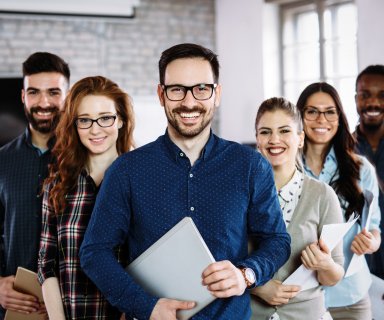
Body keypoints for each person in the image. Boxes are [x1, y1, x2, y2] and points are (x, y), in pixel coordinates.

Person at [79, 43, 291, 320]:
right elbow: (94, 252)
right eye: (177, 89)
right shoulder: (127, 170)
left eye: (201, 88)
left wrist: (247, 274)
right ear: (161, 94)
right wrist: (146, 306)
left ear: (217, 94)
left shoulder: (250, 165)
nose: (189, 102)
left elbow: (277, 240)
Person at [37, 76, 135, 319]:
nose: (95, 129)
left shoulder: (141, 183)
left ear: (121, 120)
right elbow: (46, 264)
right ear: (74, 124)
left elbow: (147, 265)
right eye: (84, 120)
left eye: (105, 117)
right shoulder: (57, 186)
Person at [251, 97, 344, 320]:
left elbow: (334, 275)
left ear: (300, 139)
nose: (274, 140)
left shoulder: (323, 195)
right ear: (257, 140)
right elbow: (221, 259)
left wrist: (325, 264)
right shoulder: (240, 193)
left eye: (284, 131)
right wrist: (255, 285)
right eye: (265, 132)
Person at [296, 82, 381, 320]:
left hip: (349, 295)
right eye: (312, 111)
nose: (321, 119)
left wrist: (370, 243)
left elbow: (374, 227)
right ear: (300, 117)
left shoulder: (361, 169)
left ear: (339, 118)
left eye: (329, 111)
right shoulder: (285, 169)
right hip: (299, 296)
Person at [0, 52, 70, 319]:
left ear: (67, 96)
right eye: (34, 92)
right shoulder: (2, 161)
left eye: (53, 92)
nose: (43, 102)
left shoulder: (87, 159)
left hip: (75, 305)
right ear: (23, 97)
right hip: (18, 306)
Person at [354, 64, 384, 280]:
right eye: (365, 95)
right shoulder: (343, 149)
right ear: (356, 99)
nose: (373, 102)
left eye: (382, 95)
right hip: (358, 263)